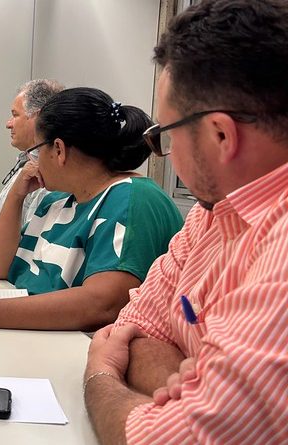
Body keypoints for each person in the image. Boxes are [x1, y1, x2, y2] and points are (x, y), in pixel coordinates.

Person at [84, 0, 288, 443]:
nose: (168, 155)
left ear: (221, 134)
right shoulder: (209, 215)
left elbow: (164, 439)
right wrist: (198, 383)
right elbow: (133, 325)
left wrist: (101, 373)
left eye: (167, 135)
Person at [0, 87, 183, 331]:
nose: (34, 161)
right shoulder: (57, 199)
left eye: (36, 150)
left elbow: (102, 304)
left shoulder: (133, 199)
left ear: (59, 150)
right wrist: (16, 196)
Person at [0, 79, 63, 265]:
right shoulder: (26, 164)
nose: (8, 124)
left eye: (15, 115)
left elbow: (23, 255)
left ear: (38, 118)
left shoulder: (42, 180)